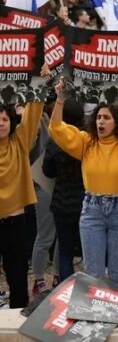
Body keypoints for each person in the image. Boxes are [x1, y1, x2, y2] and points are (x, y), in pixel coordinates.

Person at [49, 79, 118, 289]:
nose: (101, 121)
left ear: (117, 121)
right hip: (92, 211)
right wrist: (60, 100)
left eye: (107, 117)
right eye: (99, 117)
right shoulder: (86, 141)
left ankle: (116, 318)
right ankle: (94, 319)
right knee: (93, 276)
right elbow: (56, 127)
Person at [0, 100, 44, 308]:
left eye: (5, 119)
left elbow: (33, 116)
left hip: (15, 222)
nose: (1, 123)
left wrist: (40, 83)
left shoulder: (19, 142)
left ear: (12, 122)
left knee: (17, 276)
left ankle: (17, 320)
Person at [43, 99, 85, 282]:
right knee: (89, 251)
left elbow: (48, 171)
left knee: (65, 251)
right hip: (86, 203)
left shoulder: (54, 142)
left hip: (61, 202)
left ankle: (66, 289)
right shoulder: (86, 139)